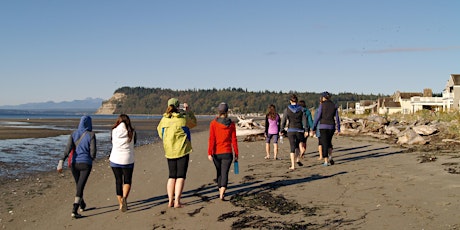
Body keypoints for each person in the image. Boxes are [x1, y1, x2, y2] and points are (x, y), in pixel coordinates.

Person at [157, 98, 197, 208]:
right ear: (178, 106)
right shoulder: (183, 119)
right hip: (182, 150)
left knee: (171, 176)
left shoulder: (164, 119)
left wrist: (167, 140)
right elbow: (193, 123)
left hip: (169, 150)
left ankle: (170, 200)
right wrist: (188, 111)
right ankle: (177, 201)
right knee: (180, 176)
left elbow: (160, 132)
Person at [57, 115, 97, 218]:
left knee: (79, 184)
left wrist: (61, 160)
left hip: (74, 164)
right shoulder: (91, 135)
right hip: (85, 164)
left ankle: (82, 204)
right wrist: (91, 158)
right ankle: (74, 210)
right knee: (81, 185)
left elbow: (68, 149)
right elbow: (93, 152)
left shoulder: (73, 134)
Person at [208, 102, 239, 201]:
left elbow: (212, 139)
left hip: (217, 152)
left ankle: (220, 189)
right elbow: (234, 140)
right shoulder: (231, 124)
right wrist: (236, 153)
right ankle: (222, 192)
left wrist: (209, 152)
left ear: (219, 111)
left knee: (219, 172)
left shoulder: (213, 123)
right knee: (224, 172)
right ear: (227, 112)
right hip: (227, 152)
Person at [109, 114, 136, 212]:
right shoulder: (132, 132)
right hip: (128, 159)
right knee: (127, 180)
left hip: (115, 159)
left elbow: (112, 142)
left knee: (118, 180)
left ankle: (120, 203)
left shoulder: (113, 131)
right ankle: (125, 197)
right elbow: (134, 142)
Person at [280, 94, 308, 170]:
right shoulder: (302, 109)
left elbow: (284, 121)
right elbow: (304, 120)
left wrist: (281, 129)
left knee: (292, 147)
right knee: (298, 145)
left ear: (290, 101)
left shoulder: (287, 109)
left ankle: (293, 165)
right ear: (297, 101)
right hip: (299, 129)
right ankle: (298, 159)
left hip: (291, 130)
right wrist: (306, 130)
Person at [311, 91, 341, 166]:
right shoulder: (334, 105)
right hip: (331, 126)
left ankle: (326, 161)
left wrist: (313, 127)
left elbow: (318, 117)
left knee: (324, 143)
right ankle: (330, 156)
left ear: (323, 97)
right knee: (329, 142)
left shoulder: (322, 105)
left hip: (323, 126)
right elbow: (337, 118)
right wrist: (338, 128)